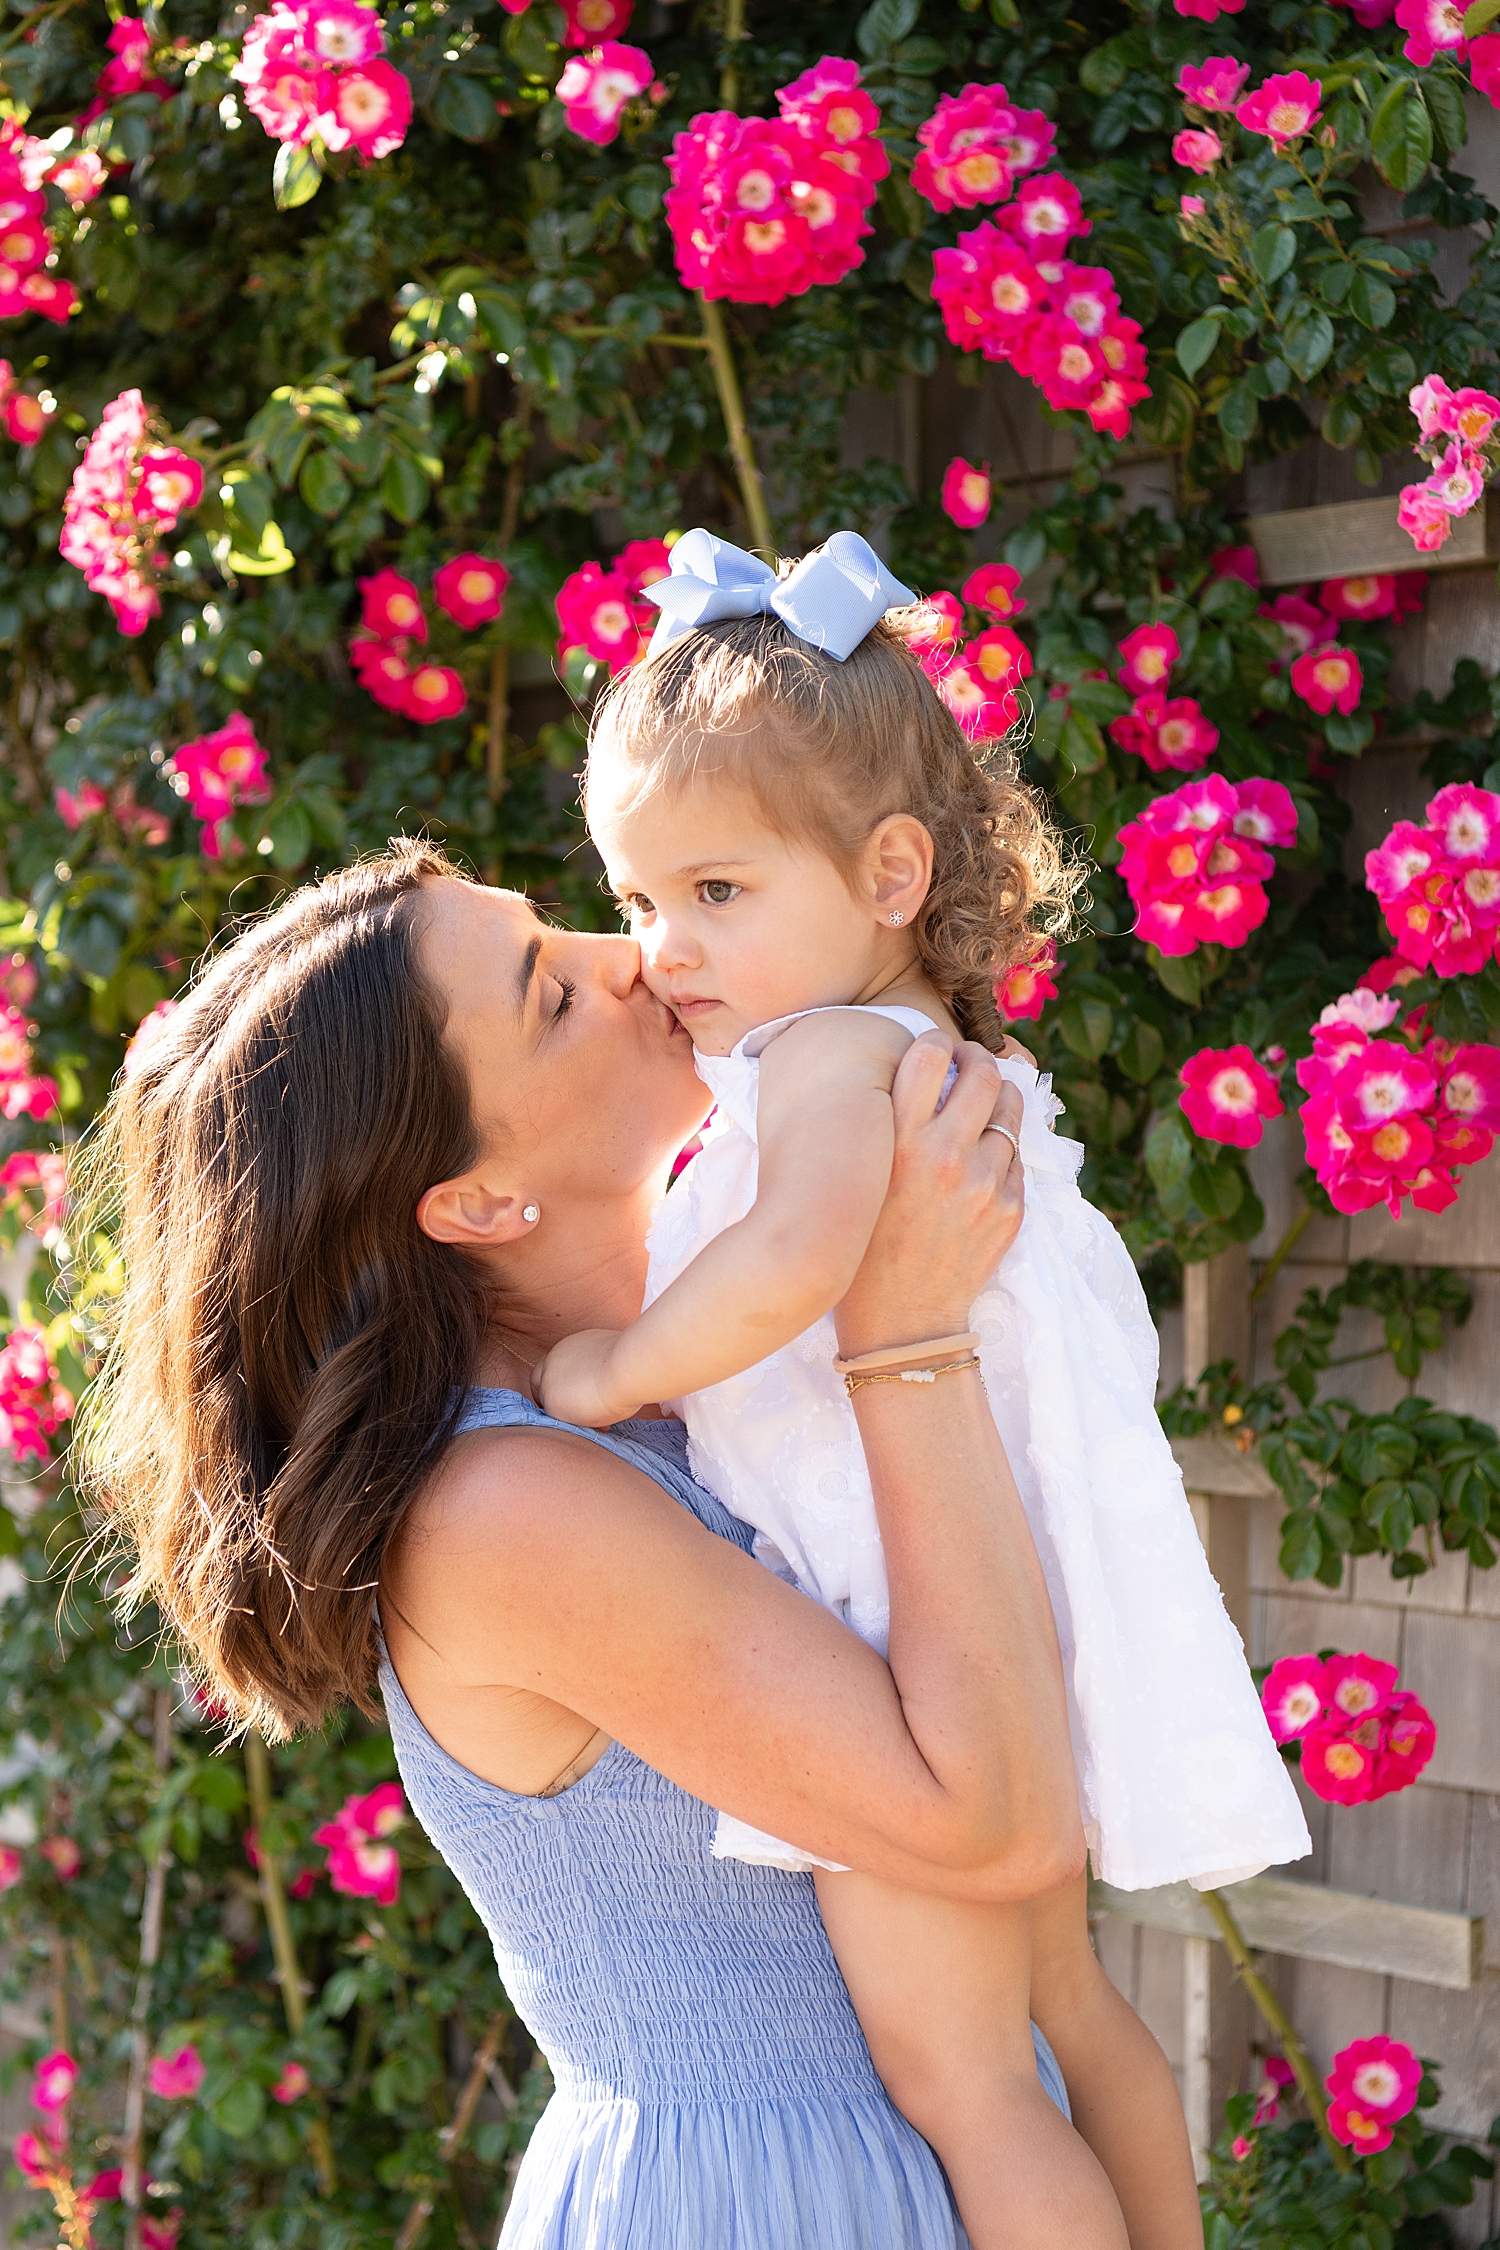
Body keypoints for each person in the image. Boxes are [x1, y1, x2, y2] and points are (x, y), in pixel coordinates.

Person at [82, 837, 1096, 2248]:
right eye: (551, 995)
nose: (633, 960)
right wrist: (908, 1335)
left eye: (568, 929)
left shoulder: (689, 1385)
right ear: (478, 1202)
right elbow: (998, 1823)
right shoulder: (501, 1512)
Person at [536, 529, 1309, 2250]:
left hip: (900, 1611)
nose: (664, 948)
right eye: (642, 896)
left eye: (717, 893)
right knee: (1074, 2009)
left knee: (962, 2075)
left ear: (891, 869)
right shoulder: (932, 1042)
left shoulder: (824, 1054)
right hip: (998, 1581)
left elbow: (805, 1257)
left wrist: (613, 1367)